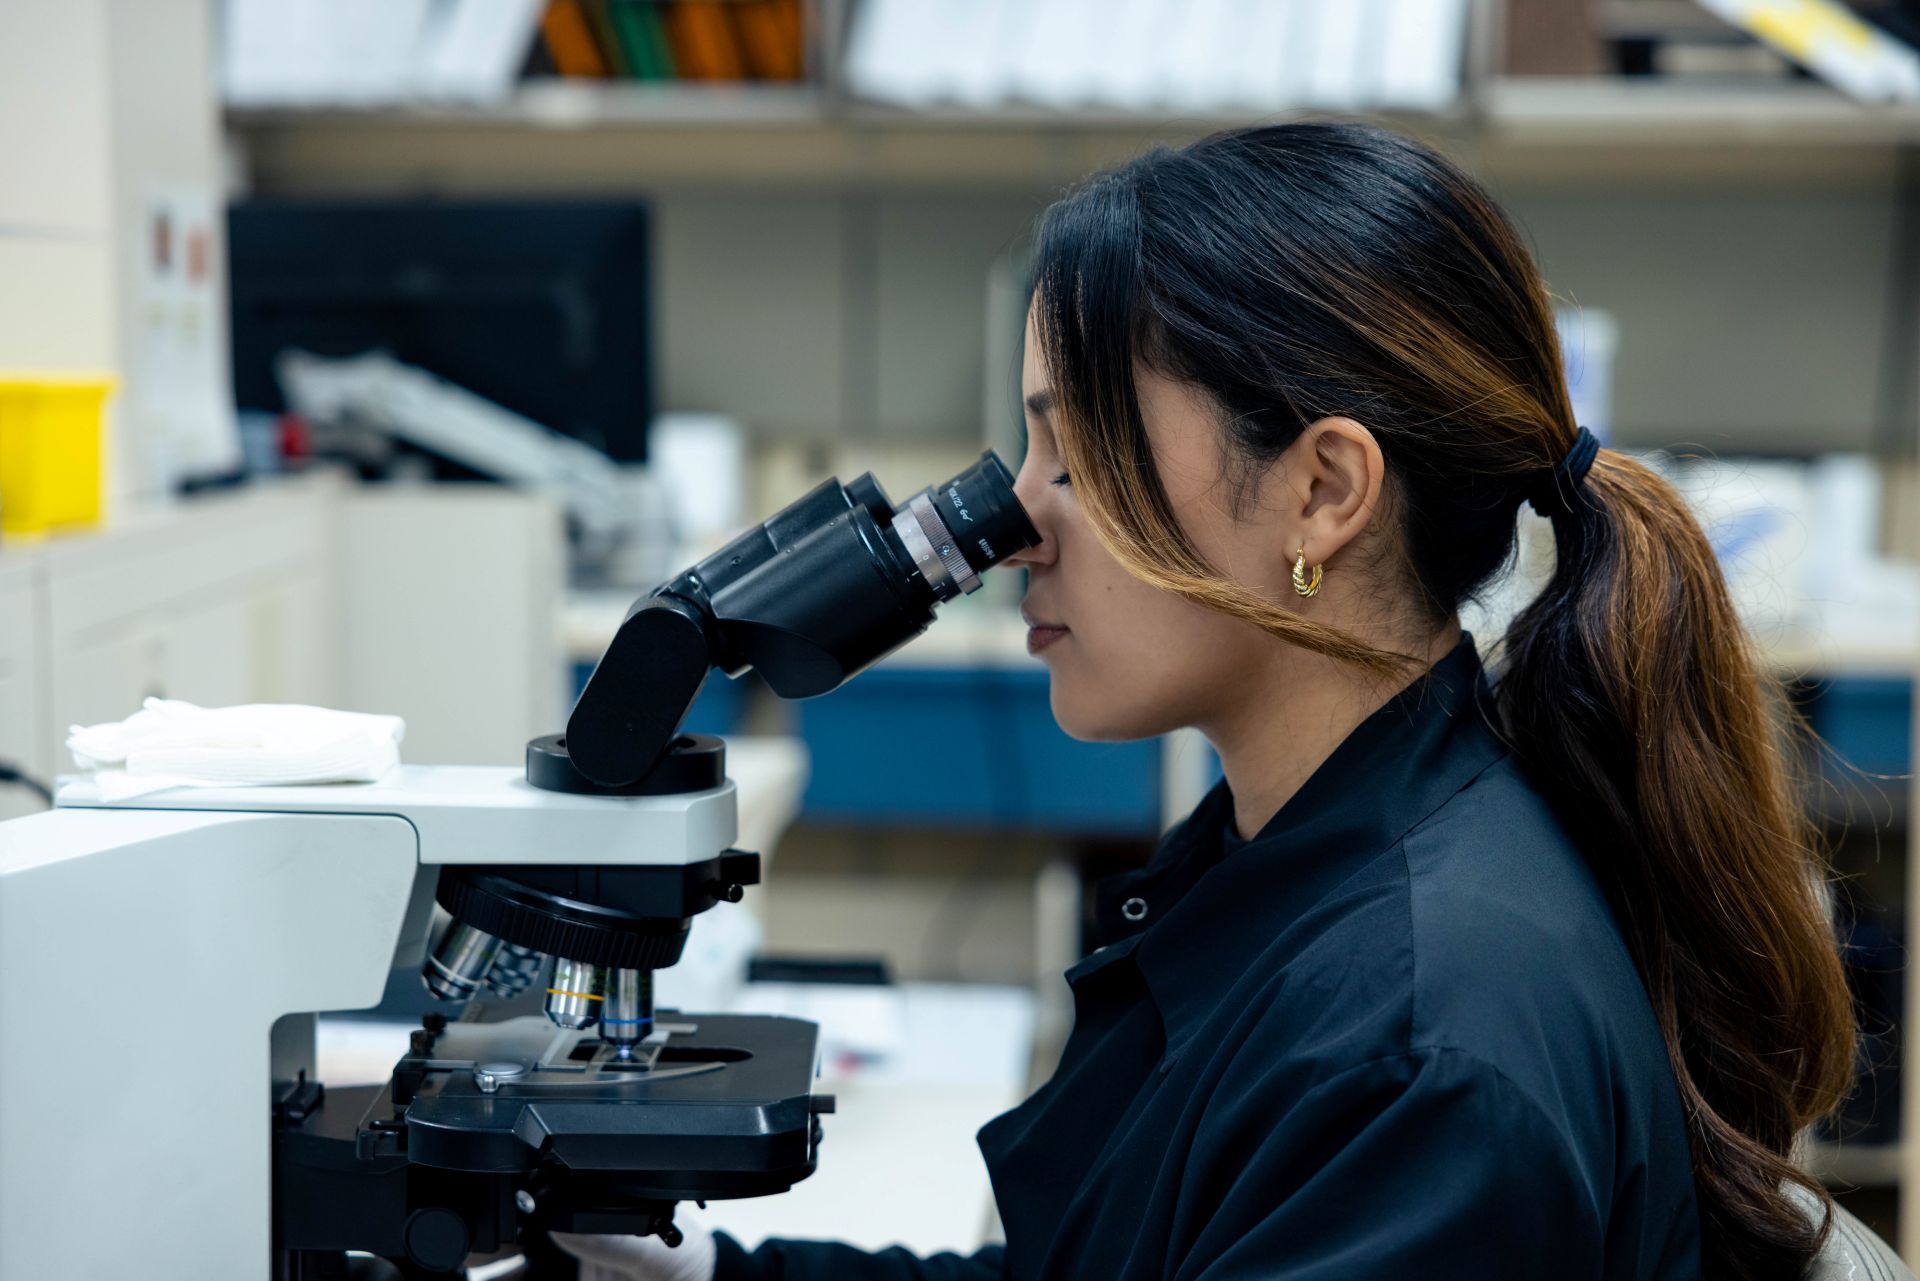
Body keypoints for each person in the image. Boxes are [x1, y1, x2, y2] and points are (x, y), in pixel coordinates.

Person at [557, 122, 1857, 1281]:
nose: (1014, 527)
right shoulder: (1290, 855)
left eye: (1078, 454)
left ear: (1323, 491)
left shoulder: (1416, 1055)